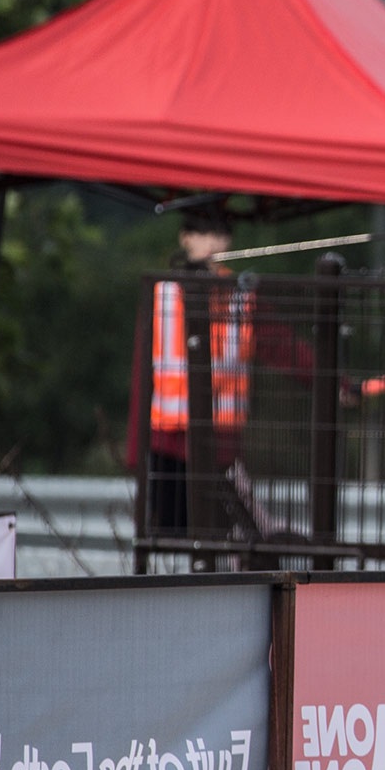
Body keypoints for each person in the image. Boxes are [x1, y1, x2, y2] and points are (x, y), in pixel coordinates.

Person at [141, 204, 252, 536]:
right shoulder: (163, 290)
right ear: (185, 238)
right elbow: (141, 370)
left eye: (219, 234)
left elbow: (280, 343)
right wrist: (136, 448)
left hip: (219, 440)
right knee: (170, 532)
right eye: (203, 233)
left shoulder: (239, 293)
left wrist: (339, 385)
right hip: (169, 439)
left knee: (218, 533)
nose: (212, 243)